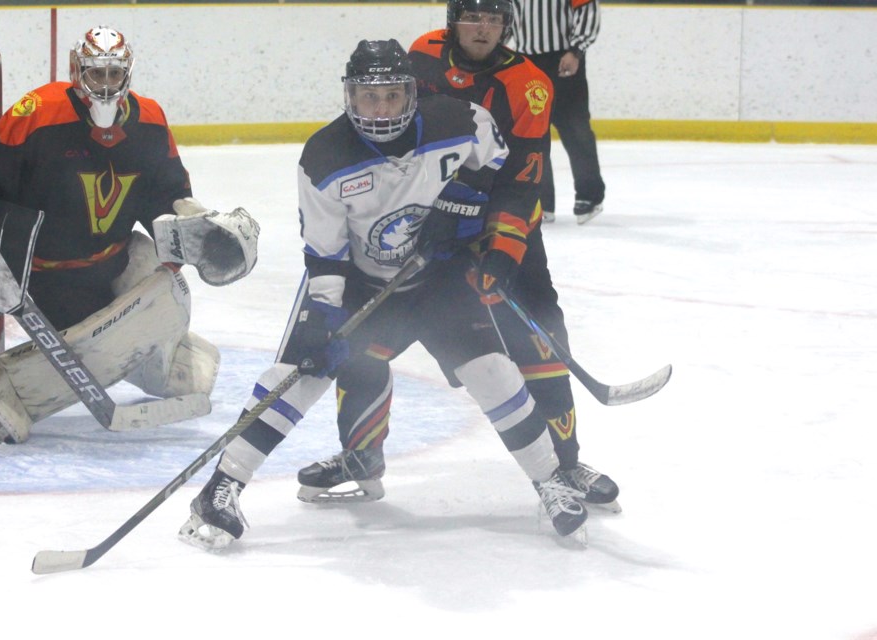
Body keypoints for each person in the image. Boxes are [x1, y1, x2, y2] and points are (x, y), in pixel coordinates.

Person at [178, 39, 590, 551]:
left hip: (439, 282)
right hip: (362, 287)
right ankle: (222, 487)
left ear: (412, 94)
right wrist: (323, 318)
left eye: (392, 96)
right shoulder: (325, 156)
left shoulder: (461, 122)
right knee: (298, 377)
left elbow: (504, 170)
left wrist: (468, 213)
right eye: (368, 98)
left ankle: (550, 480)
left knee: (493, 371)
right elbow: (325, 257)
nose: (380, 109)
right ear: (350, 98)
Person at [297, 0, 618, 527]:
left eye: (494, 19)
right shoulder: (420, 55)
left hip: (497, 225)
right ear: (453, 20)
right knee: (363, 342)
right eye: (474, 16)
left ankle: (563, 465)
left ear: (507, 26)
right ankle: (362, 455)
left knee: (537, 336)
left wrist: (501, 251)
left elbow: (522, 177)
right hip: (419, 229)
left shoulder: (529, 82)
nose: (483, 28)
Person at [0, 25, 260, 443]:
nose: (105, 84)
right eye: (96, 73)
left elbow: (168, 194)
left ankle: (176, 364)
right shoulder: (39, 111)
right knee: (105, 350)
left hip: (112, 258)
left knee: (167, 291)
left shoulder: (150, 119)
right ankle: (5, 392)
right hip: (45, 276)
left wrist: (195, 219)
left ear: (127, 73)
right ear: (78, 71)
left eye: (113, 74)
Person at [511, 0, 605, 224]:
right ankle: (540, 199)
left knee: (576, 130)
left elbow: (587, 10)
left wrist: (576, 50)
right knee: (533, 132)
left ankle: (589, 195)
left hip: (563, 57)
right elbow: (508, 12)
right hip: (526, 60)